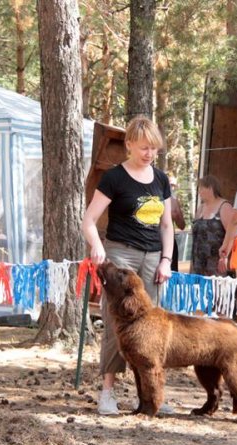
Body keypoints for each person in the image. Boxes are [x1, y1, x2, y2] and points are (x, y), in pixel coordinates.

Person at [82, 116, 175, 416]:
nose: (149, 154)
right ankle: (107, 392)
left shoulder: (160, 179)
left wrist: (166, 260)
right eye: (144, 147)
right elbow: (89, 220)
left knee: (152, 329)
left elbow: (167, 225)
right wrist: (97, 245)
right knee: (116, 324)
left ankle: (150, 395)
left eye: (154, 149)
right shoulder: (114, 178)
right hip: (122, 256)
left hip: (153, 259)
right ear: (130, 145)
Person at [190, 175, 233, 276]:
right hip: (198, 262)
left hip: (216, 263)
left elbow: (232, 234)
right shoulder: (201, 208)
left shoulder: (225, 207)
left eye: (201, 188)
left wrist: (225, 257)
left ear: (210, 188)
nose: (199, 191)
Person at [169, 176, 186, 272]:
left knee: (171, 273)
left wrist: (176, 215)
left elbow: (182, 225)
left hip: (170, 242)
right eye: (170, 185)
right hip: (151, 242)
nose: (172, 188)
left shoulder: (174, 201)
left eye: (174, 186)